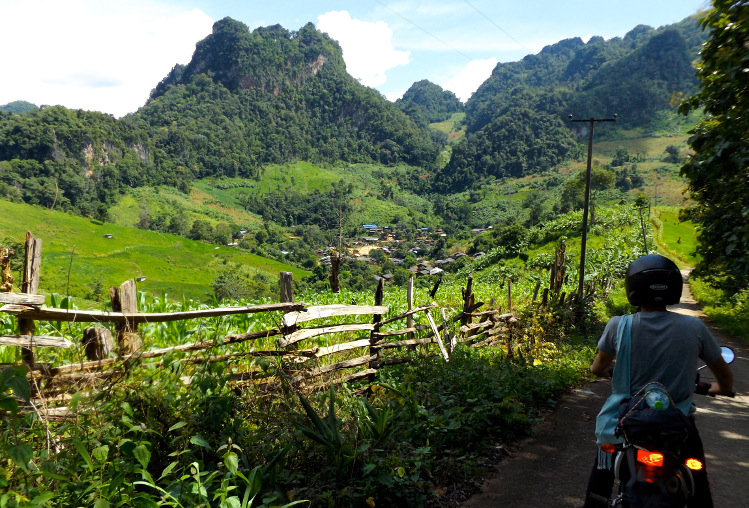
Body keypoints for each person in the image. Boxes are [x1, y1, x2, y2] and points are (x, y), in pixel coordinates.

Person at [583, 254, 734, 508]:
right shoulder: (694, 328)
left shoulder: (618, 326)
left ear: (632, 289)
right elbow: (724, 375)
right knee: (698, 483)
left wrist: (602, 372)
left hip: (626, 423)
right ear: (674, 287)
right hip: (677, 425)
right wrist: (722, 389)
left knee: (602, 475)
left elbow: (597, 368)